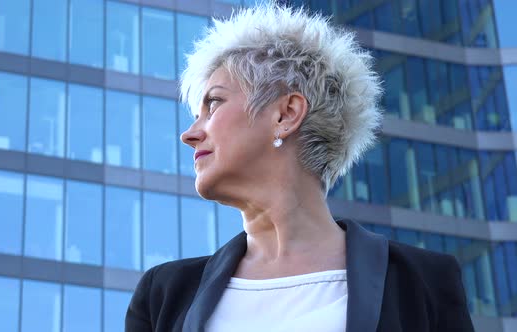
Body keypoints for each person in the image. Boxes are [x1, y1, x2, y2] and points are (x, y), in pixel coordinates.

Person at [126, 4, 474, 332]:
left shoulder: (422, 282)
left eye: (213, 103)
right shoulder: (164, 296)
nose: (189, 134)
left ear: (286, 114)